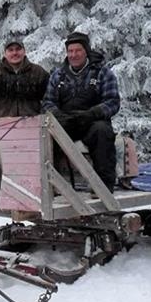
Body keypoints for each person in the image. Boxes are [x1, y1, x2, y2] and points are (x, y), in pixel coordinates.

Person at [41, 31, 121, 192]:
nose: (73, 55)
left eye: (78, 51)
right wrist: (56, 114)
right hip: (66, 122)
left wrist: (93, 113)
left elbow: (112, 101)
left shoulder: (103, 73)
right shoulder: (58, 75)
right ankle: (52, 186)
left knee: (102, 132)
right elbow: (48, 101)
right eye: (70, 51)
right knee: (45, 136)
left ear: (86, 51)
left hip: (92, 122)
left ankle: (103, 186)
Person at [0, 39, 49, 118]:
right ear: (5, 54)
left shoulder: (37, 72)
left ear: (24, 52)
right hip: (2, 124)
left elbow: (50, 95)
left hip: (33, 123)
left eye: (18, 49)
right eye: (10, 50)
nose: (14, 53)